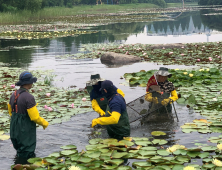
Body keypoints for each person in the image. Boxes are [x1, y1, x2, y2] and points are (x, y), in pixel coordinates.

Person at [7, 71, 49, 159]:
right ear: (29, 83)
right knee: (27, 152)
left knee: (19, 149)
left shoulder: (13, 95)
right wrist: (44, 123)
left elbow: (11, 112)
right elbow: (34, 117)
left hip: (14, 128)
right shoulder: (29, 97)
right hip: (25, 129)